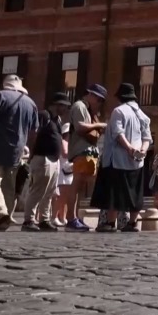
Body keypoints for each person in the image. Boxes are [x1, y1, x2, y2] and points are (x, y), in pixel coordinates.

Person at [0, 75, 39, 231]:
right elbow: (34, 131)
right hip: (17, 149)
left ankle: (0, 213)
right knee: (9, 185)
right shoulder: (30, 103)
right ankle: (5, 218)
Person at [91, 83, 152, 232]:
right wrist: (142, 151)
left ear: (120, 97)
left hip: (117, 159)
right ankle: (132, 223)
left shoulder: (118, 111)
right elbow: (147, 138)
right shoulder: (143, 115)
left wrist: (129, 148)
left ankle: (110, 223)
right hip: (137, 161)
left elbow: (118, 134)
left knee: (114, 192)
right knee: (135, 193)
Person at [22, 92, 71, 232]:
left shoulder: (57, 120)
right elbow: (33, 134)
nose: (65, 109)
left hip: (54, 159)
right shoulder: (44, 115)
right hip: (43, 157)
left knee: (49, 192)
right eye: (63, 105)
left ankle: (44, 219)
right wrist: (31, 153)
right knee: (37, 190)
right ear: (56, 105)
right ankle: (29, 220)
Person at [64, 84, 107, 232]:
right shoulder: (80, 106)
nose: (99, 103)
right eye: (99, 99)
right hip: (82, 150)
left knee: (80, 187)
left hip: (87, 151)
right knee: (76, 184)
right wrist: (100, 124)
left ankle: (74, 217)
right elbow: (80, 127)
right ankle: (70, 218)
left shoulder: (87, 109)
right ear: (91, 95)